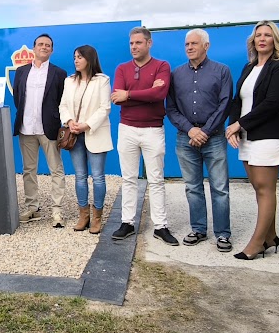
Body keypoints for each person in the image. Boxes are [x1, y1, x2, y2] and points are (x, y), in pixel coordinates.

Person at [225, 22, 279, 260]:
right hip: (247, 135)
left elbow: (272, 103)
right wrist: (233, 127)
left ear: (275, 40)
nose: (262, 39)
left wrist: (239, 124)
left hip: (268, 134)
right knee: (258, 187)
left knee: (265, 188)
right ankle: (271, 235)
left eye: (267, 35)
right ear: (252, 41)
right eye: (258, 35)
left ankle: (256, 243)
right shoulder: (249, 67)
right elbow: (237, 100)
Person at [165, 29, 233, 251]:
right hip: (186, 139)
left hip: (213, 138)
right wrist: (190, 130)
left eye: (194, 43)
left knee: (220, 187)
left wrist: (204, 130)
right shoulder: (176, 74)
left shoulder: (222, 71)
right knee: (192, 187)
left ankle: (222, 234)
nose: (189, 47)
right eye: (187, 44)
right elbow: (171, 108)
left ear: (206, 46)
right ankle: (198, 229)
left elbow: (225, 105)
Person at [110, 26, 177, 246]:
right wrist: (146, 93)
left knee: (156, 179)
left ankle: (160, 226)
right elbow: (116, 98)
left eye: (138, 43)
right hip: (127, 128)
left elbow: (159, 94)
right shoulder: (122, 68)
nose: (134, 47)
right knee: (128, 178)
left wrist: (129, 94)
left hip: (153, 129)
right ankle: (127, 223)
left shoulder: (162, 66)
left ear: (149, 43)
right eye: (131, 43)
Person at [12, 33, 68, 227]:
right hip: (26, 127)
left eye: (48, 45)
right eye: (40, 44)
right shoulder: (21, 72)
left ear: (52, 50)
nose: (44, 47)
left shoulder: (59, 73)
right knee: (28, 170)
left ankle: (57, 210)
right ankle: (32, 207)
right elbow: (17, 97)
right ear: (34, 48)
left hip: (49, 128)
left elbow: (62, 100)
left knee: (56, 169)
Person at [60, 45, 112, 234]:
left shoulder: (102, 80)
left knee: (97, 177)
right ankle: (83, 215)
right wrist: (70, 121)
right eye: (74, 57)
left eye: (80, 57)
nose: (76, 60)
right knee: (80, 176)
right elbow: (63, 105)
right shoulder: (69, 81)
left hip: (94, 132)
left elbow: (105, 108)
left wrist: (86, 124)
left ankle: (97, 216)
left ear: (89, 59)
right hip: (74, 135)